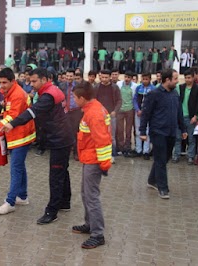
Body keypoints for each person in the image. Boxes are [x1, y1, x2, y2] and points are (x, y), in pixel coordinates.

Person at [0, 68, 73, 224]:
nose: (31, 85)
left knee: (55, 175)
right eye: (30, 81)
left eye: (34, 81)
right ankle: (65, 201)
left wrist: (12, 124)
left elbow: (32, 112)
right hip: (62, 137)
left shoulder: (48, 95)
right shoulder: (51, 90)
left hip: (59, 139)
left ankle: (51, 211)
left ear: (44, 79)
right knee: (62, 171)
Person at [0, 68, 36, 215]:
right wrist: (0, 119)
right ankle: (23, 196)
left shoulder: (18, 94)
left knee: (15, 168)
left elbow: (11, 116)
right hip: (17, 134)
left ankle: (10, 202)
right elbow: (6, 112)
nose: (2, 86)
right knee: (19, 166)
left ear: (13, 81)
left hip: (21, 135)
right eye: (0, 83)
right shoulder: (11, 92)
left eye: (5, 82)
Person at [71, 81, 111, 249]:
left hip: (94, 161)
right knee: (85, 194)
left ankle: (98, 234)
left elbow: (102, 140)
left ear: (82, 98)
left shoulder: (93, 113)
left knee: (91, 197)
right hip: (89, 158)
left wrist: (104, 164)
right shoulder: (91, 108)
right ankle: (89, 224)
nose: (73, 100)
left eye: (74, 98)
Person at [140, 69, 187, 199]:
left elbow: (179, 113)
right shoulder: (154, 94)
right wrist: (142, 131)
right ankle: (163, 188)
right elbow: (146, 114)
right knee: (160, 160)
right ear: (167, 80)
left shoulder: (175, 94)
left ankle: (151, 180)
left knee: (164, 159)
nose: (177, 82)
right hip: (158, 131)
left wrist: (183, 129)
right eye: (175, 79)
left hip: (171, 132)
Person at [172, 69, 198, 164]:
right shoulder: (181, 87)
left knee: (191, 138)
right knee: (177, 137)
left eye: (189, 77)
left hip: (190, 117)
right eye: (185, 78)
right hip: (180, 116)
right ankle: (176, 155)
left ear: (193, 78)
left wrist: (196, 116)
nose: (187, 80)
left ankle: (190, 156)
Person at [95, 70, 122, 163]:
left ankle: (112, 155)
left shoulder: (115, 87)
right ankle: (100, 155)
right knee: (99, 135)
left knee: (111, 136)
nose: (104, 79)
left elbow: (119, 100)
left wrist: (115, 111)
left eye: (106, 77)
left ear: (110, 77)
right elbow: (93, 100)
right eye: (103, 77)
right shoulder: (97, 87)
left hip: (111, 115)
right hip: (99, 115)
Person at [60, 68, 82, 160]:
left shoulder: (78, 85)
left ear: (74, 76)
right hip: (65, 112)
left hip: (76, 111)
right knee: (65, 132)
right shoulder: (62, 85)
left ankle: (76, 152)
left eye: (71, 76)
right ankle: (66, 151)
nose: (69, 78)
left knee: (76, 132)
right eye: (67, 76)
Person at [133, 72, 155, 159]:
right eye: (143, 79)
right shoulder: (139, 88)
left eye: (146, 79)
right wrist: (137, 109)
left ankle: (146, 151)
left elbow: (154, 102)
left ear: (150, 79)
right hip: (138, 113)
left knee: (147, 132)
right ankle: (138, 150)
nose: (144, 81)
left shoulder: (153, 89)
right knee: (138, 131)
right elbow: (134, 100)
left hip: (149, 114)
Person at [116, 71, 136, 157]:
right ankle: (121, 147)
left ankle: (127, 147)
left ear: (131, 78)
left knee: (128, 130)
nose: (127, 79)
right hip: (120, 110)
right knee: (120, 130)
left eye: (129, 77)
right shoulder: (119, 84)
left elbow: (134, 98)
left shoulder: (135, 86)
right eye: (126, 77)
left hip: (130, 109)